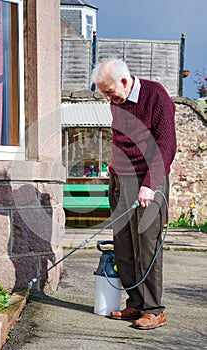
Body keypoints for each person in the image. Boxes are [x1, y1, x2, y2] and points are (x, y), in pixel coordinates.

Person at [91, 59, 177, 330]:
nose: (108, 98)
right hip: (120, 181)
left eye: (110, 92)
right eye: (104, 93)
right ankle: (135, 303)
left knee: (146, 246)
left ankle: (154, 309)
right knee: (124, 245)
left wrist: (150, 184)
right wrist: (114, 168)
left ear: (125, 82)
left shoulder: (156, 96)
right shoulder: (117, 102)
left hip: (149, 180)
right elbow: (120, 138)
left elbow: (166, 146)